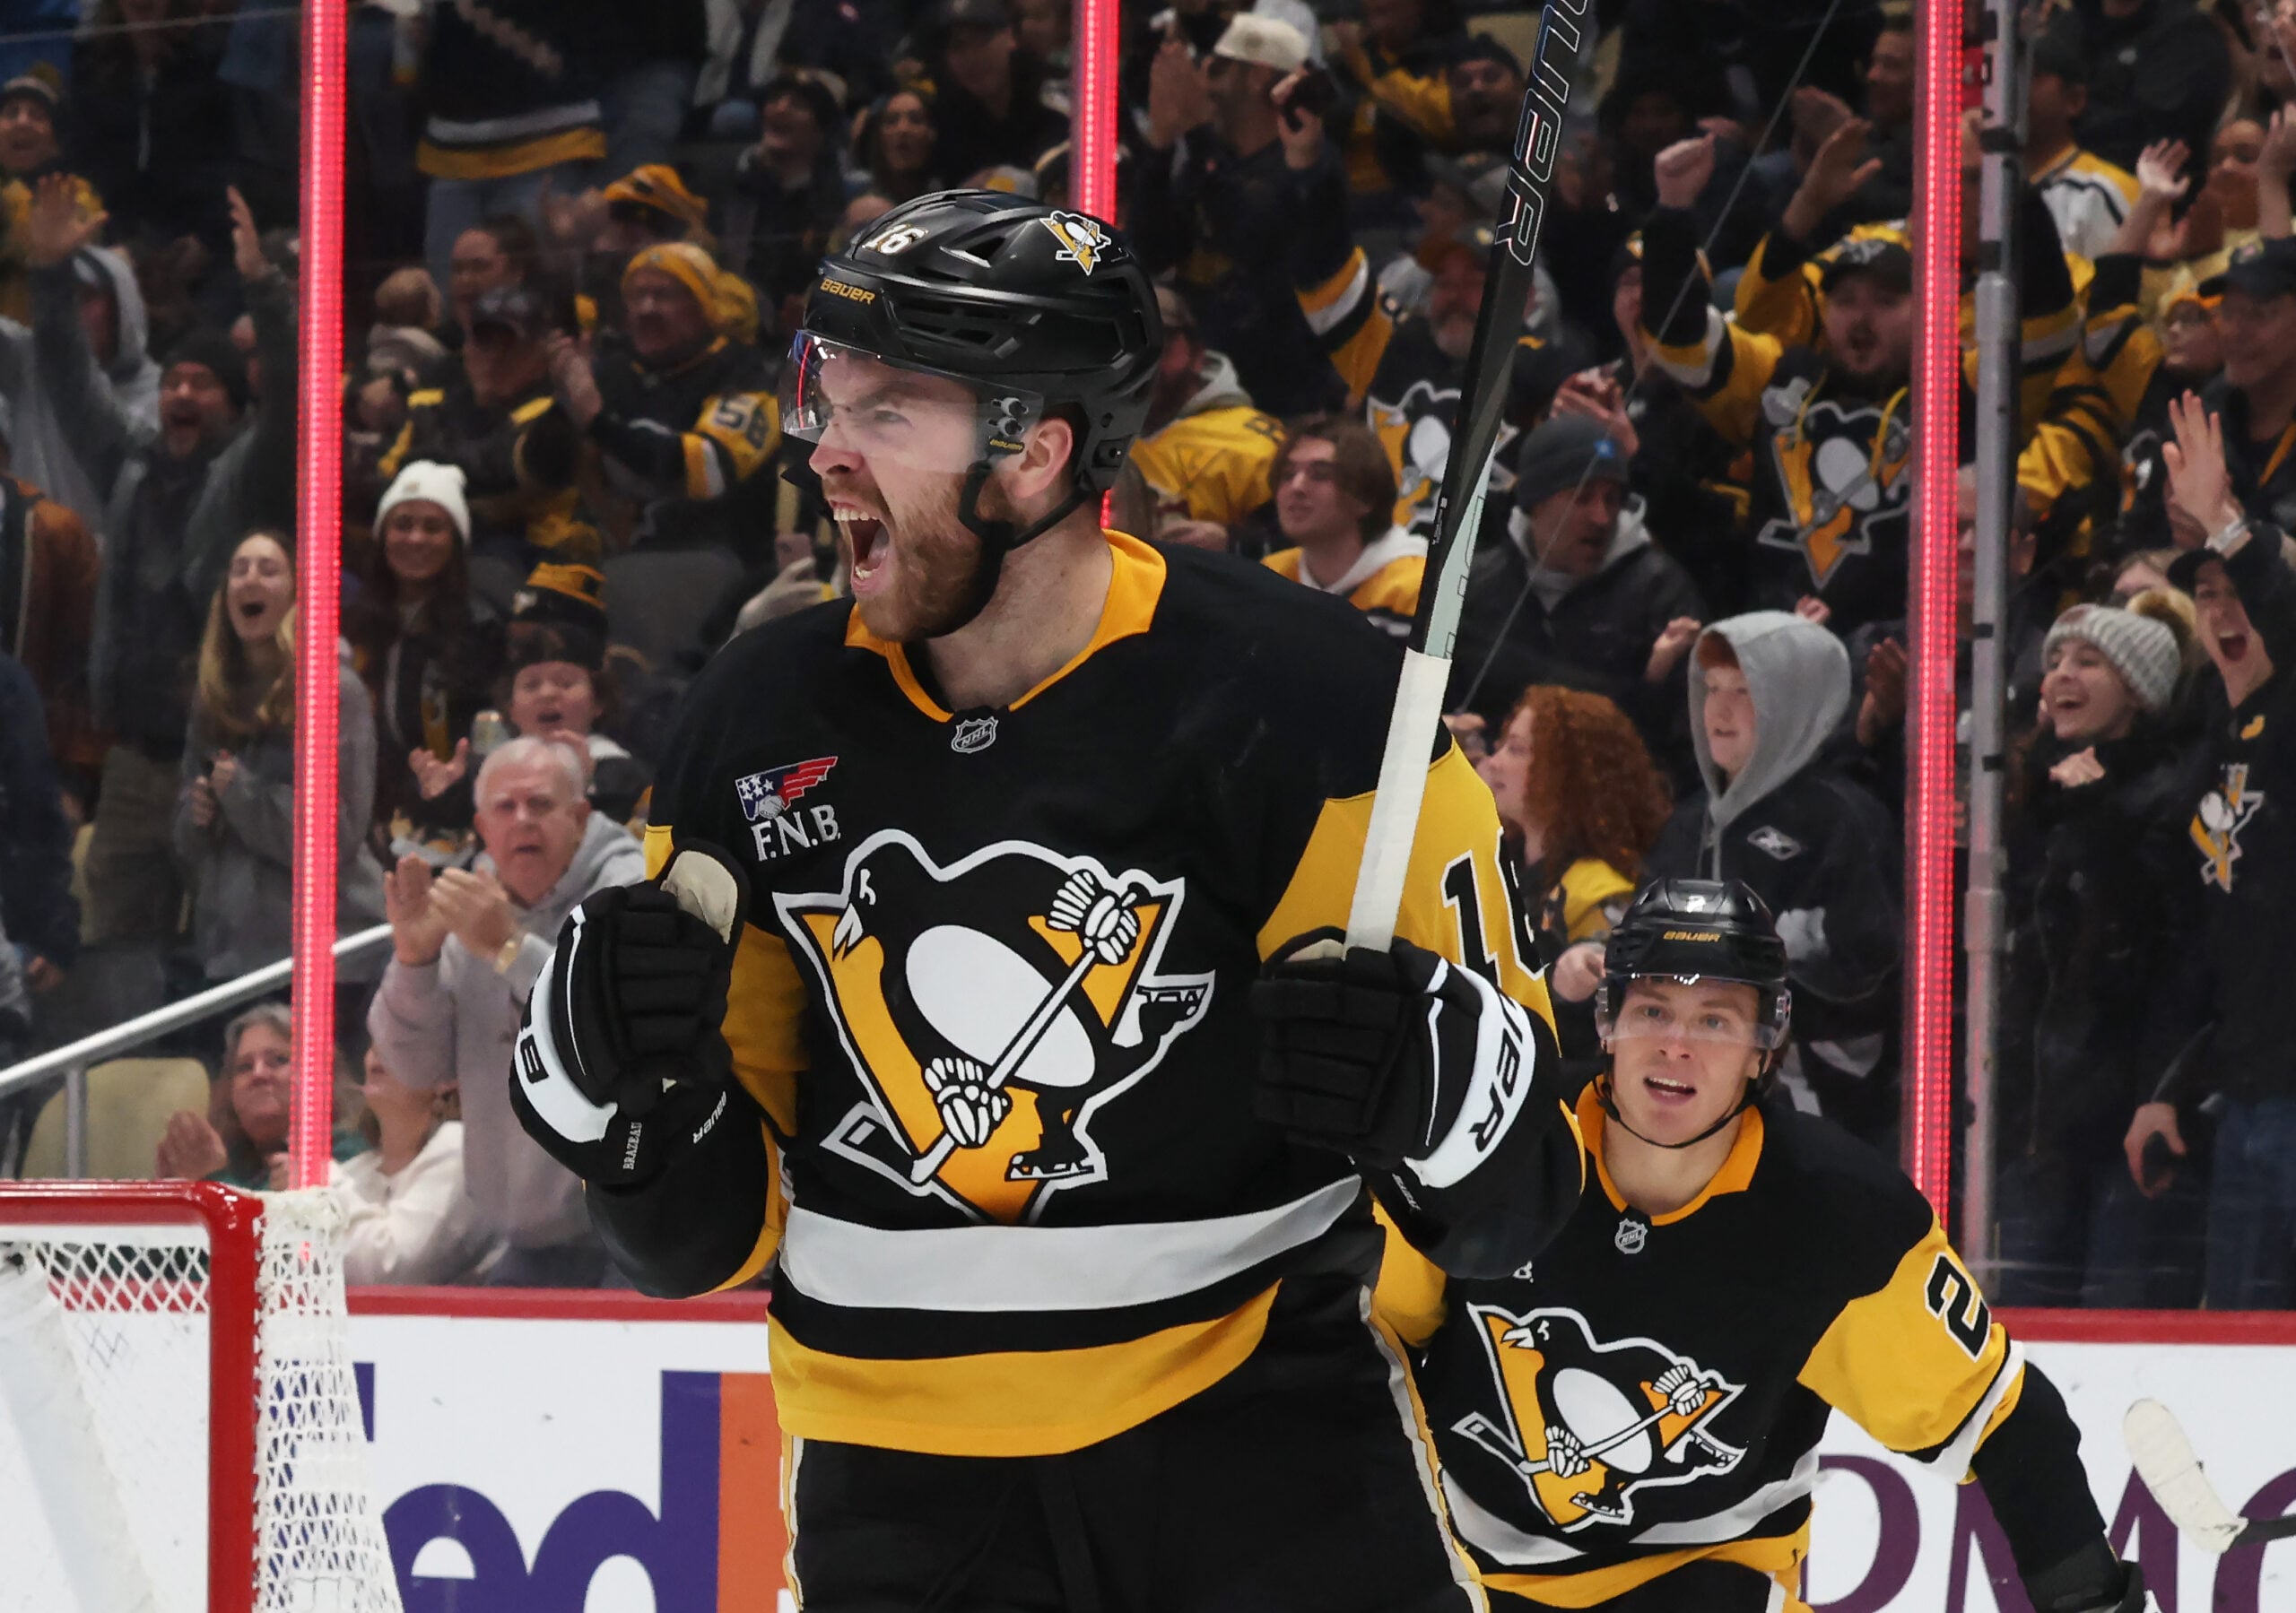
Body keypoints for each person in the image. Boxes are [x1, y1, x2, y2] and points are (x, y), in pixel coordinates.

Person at [509, 191, 1581, 1602]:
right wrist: (619, 1100)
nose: (823, 451)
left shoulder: (1319, 707)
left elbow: (1518, 1209)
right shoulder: (755, 716)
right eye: (828, 395)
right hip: (899, 1496)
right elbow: (699, 1236)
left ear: (1036, 452)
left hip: (1265, 1452)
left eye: (887, 408)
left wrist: (1451, 1086)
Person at [1381, 880, 2150, 1613]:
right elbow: (1363, 1334)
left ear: (1763, 1046)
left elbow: (2006, 1419)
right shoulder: (1499, 1146)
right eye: (1653, 1009)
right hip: (1459, 1561)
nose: (1677, 1045)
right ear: (1608, 1021)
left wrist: (2090, 1596)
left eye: (1714, 1019)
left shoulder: (1835, 1215)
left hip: (1707, 1569)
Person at [26, 179, 295, 954]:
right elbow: (71, 380)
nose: (181, 392)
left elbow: (292, 394)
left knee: (221, 945)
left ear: (233, 405)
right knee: (111, 946)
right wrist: (48, 276)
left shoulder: (251, 472)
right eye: (174, 381)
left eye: (201, 383)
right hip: (138, 759)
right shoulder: (131, 463)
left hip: (227, 757)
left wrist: (263, 288)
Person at [2125, 393, 2296, 1308]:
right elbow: (2206, 949)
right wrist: (2165, 1087)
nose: (2225, 609)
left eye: (2239, 591)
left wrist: (2229, 523)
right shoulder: (2216, 747)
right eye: (2206, 594)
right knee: (2236, 1336)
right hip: (2247, 1102)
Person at [370, 736, 644, 1287]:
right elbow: (417, 1070)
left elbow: (616, 1025)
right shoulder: (470, 906)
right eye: (505, 808)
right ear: (482, 828)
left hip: (638, 1238)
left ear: (580, 816)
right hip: (527, 1238)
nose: (523, 820)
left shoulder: (633, 891)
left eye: (540, 805)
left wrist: (510, 950)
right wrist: (416, 960)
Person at [1999, 597, 2205, 1307]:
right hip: (2039, 1129)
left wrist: (2103, 813)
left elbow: (2161, 956)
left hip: (2127, 1125)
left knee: (2128, 1335)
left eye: (2089, 661)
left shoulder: (2166, 798)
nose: (2061, 673)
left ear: (2140, 689)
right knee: (2016, 1343)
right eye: (2055, 658)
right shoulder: (2035, 796)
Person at [1648, 613, 1902, 1140]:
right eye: (1712, 687)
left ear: (1795, 701)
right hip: (1688, 1089)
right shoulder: (1690, 821)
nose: (1718, 708)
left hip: (1815, 1107)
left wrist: (1773, 970)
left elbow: (1870, 962)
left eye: (1743, 690)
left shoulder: (1843, 818)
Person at [173, 529, 386, 984]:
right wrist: (198, 814)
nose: (250, 580)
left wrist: (243, 797)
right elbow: (186, 842)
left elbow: (335, 837)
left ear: (297, 594)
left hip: (328, 959)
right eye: (239, 569)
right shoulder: (212, 695)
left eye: (268, 570)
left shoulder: (334, 691)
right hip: (232, 954)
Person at [1450, 417, 1707, 789]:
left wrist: (1651, 688)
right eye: (1582, 497)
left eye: (1612, 499)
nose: (1602, 517)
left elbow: (1680, 749)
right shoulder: (1473, 585)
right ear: (1534, 502)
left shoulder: (1661, 592)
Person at [1133, 13, 1339, 417]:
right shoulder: (1207, 161)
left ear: (1258, 76)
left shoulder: (1308, 163)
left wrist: (1195, 129)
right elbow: (1150, 251)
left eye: (1216, 65)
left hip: (1279, 404)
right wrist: (1159, 143)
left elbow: (1250, 235)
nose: (1202, 78)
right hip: (1195, 395)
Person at [543, 242, 780, 559]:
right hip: (618, 557)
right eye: (637, 296)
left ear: (705, 304)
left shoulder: (749, 374)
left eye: (664, 295)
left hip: (711, 556)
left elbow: (707, 469)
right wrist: (563, 404)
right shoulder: (614, 370)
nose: (646, 309)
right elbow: (543, 470)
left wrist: (597, 421)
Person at [347, 461, 508, 849]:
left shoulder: (481, 627)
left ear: (455, 541)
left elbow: (490, 737)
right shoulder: (352, 621)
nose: (415, 538)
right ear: (382, 535)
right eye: (402, 524)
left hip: (450, 826)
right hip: (363, 814)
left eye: (433, 527)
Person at [377, 282, 588, 562]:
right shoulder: (433, 399)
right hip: (436, 556)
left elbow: (513, 472)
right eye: (484, 342)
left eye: (509, 344)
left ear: (542, 353)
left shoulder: (554, 418)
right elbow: (388, 477)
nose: (495, 356)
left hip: (527, 564)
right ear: (466, 347)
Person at [1478, 685, 1672, 955]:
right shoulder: (1498, 862)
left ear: (1564, 774)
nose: (1494, 762)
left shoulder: (1597, 894)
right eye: (1502, 747)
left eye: (1516, 749)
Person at [330, 1043, 504, 1286]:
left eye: (400, 1043)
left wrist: (322, 1185)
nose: (379, 1050)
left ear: (448, 1078)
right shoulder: (353, 1171)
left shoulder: (464, 1151)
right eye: (375, 1040)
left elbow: (392, 1271)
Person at [1126, 285, 1284, 543]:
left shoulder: (1252, 443)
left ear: (1197, 354)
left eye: (1160, 346)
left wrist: (1233, 545)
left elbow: (1304, 547)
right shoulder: (1080, 434)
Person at [156, 1002, 367, 1189]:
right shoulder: (233, 1156)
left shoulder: (348, 1155)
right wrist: (174, 1191)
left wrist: (212, 1178)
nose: (258, 1074)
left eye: (278, 1060)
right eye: (244, 1067)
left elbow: (264, 1230)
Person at [1260, 414, 1423, 632]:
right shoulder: (1271, 574)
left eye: (1320, 475)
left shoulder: (1415, 587)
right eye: (1287, 475)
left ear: (1365, 496)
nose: (1296, 487)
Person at [926, 0, 1069, 185]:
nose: (972, 58)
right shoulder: (946, 118)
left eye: (982, 40)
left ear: (1010, 36)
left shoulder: (1055, 95)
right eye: (957, 46)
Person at [2025, 32, 2140, 263]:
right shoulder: (1989, 187)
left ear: (2074, 100)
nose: (2012, 89)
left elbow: (2111, 295)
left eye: (2032, 76)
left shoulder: (2101, 191)